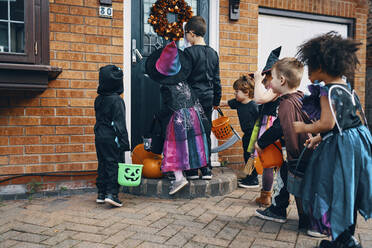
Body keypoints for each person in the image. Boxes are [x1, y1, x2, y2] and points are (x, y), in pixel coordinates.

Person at [294, 32, 372, 248]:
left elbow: (327, 123)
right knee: (349, 191)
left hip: (342, 149)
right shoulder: (348, 89)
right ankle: (346, 238)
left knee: (335, 188)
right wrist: (319, 138)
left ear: (322, 66)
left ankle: (342, 241)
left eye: (310, 66)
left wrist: (305, 128)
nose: (309, 71)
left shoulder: (326, 91)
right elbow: (346, 122)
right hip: (359, 144)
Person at [255, 57, 314, 233]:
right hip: (306, 150)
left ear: (282, 81)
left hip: (296, 154)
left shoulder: (285, 104)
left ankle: (286, 213)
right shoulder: (301, 97)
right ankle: (280, 209)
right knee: (288, 179)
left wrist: (261, 142)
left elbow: (280, 126)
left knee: (295, 184)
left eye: (272, 78)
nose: (270, 82)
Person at [145, 41, 209, 195]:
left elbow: (169, 107)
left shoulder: (166, 87)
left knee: (173, 148)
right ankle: (189, 171)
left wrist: (158, 116)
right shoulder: (185, 82)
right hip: (193, 116)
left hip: (178, 119)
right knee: (188, 145)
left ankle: (179, 177)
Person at [239, 47, 281, 208]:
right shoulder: (271, 88)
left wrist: (257, 81)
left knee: (268, 162)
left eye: (266, 78)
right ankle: (264, 193)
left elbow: (259, 99)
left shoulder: (274, 90)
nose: (264, 81)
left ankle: (267, 196)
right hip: (263, 123)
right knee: (262, 159)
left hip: (269, 125)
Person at [184, 16, 221, 180]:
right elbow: (217, 80)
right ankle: (206, 169)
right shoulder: (213, 53)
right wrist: (216, 101)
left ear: (191, 33)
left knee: (192, 132)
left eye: (186, 34)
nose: (185, 37)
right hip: (208, 98)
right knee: (205, 132)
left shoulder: (188, 52)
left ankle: (192, 170)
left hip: (191, 97)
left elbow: (183, 78)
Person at [94, 65, 130, 207]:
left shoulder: (98, 99)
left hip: (99, 135)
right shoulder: (117, 100)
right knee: (113, 163)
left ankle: (101, 193)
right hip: (111, 136)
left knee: (102, 163)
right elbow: (119, 123)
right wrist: (124, 143)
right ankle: (112, 194)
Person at [221, 75, 259, 173]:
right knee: (246, 155)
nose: (235, 93)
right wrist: (215, 105)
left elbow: (259, 122)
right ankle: (249, 176)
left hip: (253, 135)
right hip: (246, 135)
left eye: (237, 91)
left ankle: (252, 179)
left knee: (251, 156)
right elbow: (226, 103)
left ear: (246, 93)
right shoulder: (238, 103)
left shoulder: (253, 106)